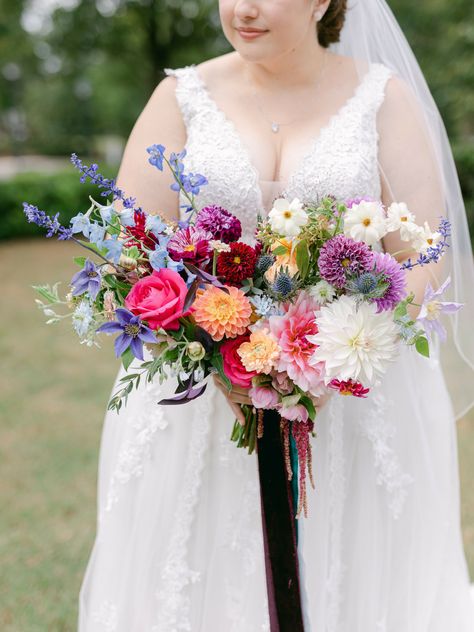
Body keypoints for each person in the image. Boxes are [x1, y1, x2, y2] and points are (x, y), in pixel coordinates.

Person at [79, 1, 474, 630]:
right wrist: (213, 355)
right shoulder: (180, 97)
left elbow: (426, 255)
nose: (242, 8)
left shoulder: (382, 100)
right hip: (200, 402)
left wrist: (333, 350)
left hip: (351, 395)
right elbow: (129, 257)